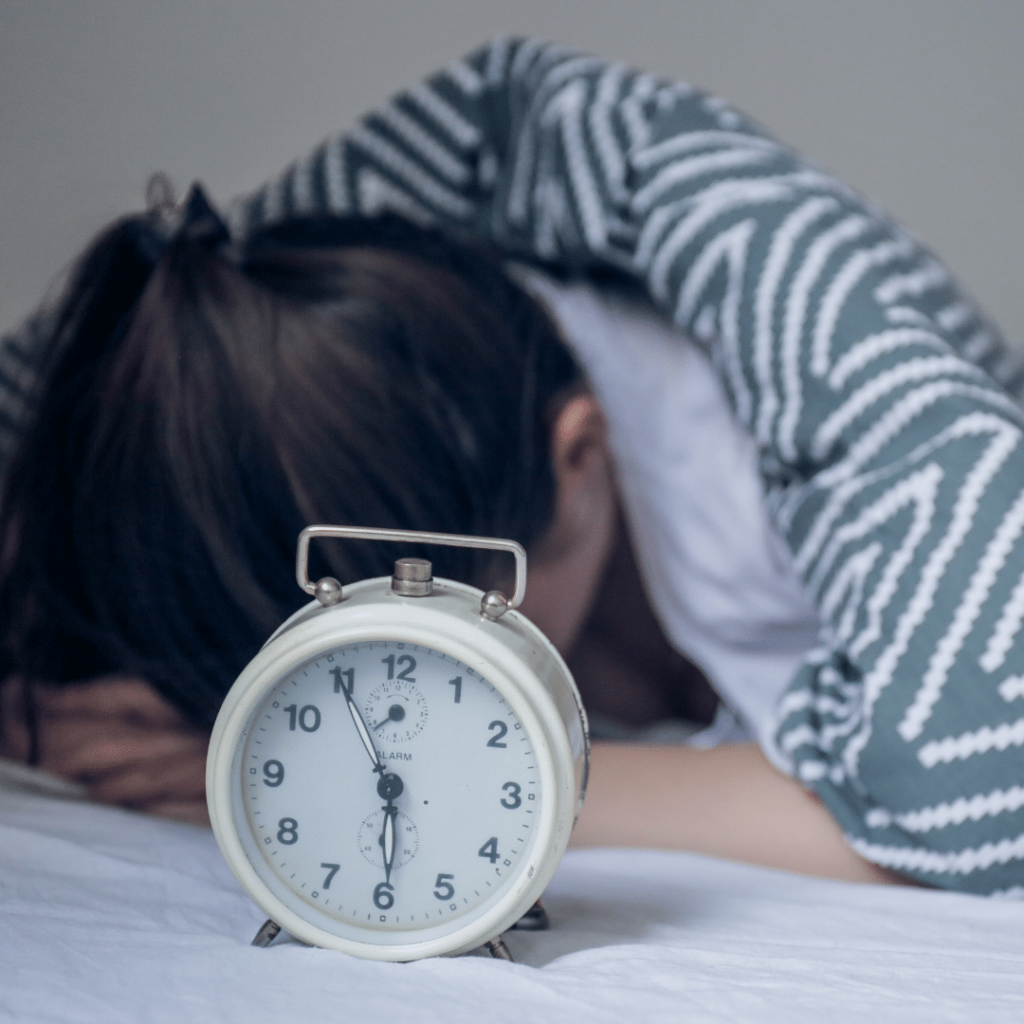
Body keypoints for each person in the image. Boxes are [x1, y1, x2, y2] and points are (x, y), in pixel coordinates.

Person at [3, 37, 1024, 895]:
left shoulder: (820, 411)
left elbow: (976, 795)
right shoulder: (254, 385)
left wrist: (349, 768)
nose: (382, 712)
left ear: (576, 455)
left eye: (411, 665)